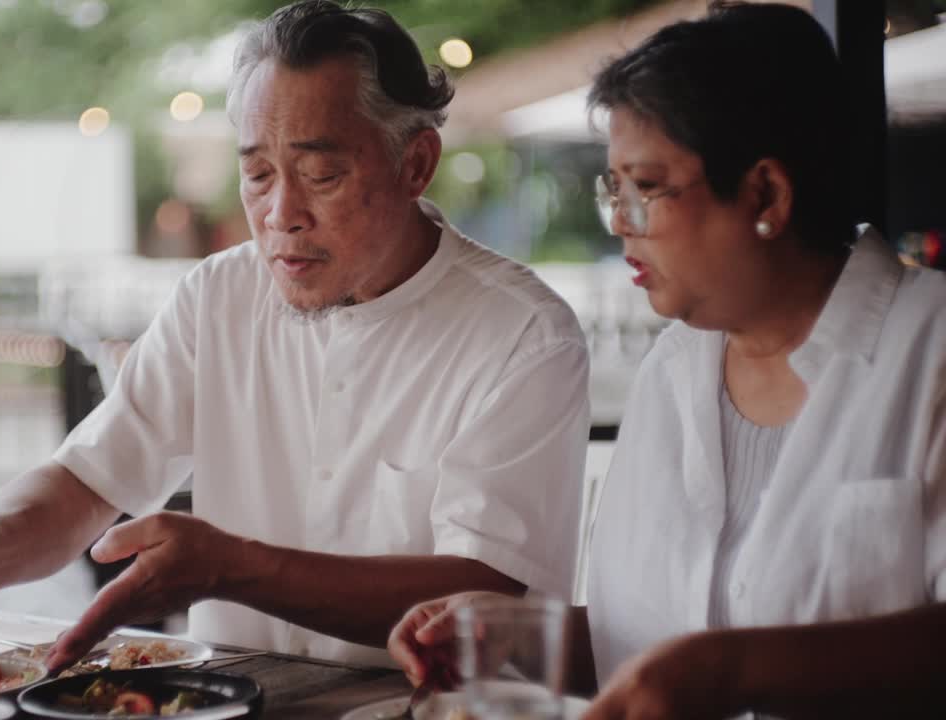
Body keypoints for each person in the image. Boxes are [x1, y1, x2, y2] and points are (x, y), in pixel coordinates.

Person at [0, 0, 590, 671]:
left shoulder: (523, 335)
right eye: (257, 174)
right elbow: (91, 479)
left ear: (416, 165)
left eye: (322, 174)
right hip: (222, 701)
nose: (282, 214)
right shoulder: (218, 294)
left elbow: (485, 592)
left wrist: (232, 566)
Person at [388, 3, 946, 717]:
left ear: (766, 193)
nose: (621, 221)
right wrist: (521, 638)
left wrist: (736, 668)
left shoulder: (928, 354)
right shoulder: (675, 370)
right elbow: (654, 647)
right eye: (612, 189)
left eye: (646, 188)